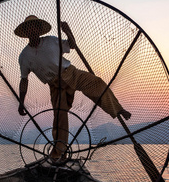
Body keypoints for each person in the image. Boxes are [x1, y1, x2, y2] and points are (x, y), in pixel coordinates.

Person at [15, 15, 131, 161]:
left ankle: (118, 109)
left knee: (97, 83)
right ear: (25, 32)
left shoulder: (51, 41)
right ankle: (59, 154)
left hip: (71, 73)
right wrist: (21, 102)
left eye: (35, 27)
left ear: (39, 30)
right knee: (59, 117)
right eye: (29, 28)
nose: (32, 30)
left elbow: (72, 45)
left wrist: (67, 30)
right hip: (56, 85)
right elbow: (24, 80)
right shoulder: (24, 56)